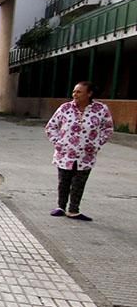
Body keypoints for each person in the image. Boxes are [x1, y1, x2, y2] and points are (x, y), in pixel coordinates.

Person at [44, 81, 114, 221]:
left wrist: (97, 144)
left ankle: (74, 210)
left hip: (86, 155)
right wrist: (59, 143)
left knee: (79, 183)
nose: (75, 94)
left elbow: (108, 128)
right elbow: (51, 127)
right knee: (64, 181)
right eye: (74, 91)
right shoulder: (65, 108)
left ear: (89, 93)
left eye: (79, 92)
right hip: (65, 153)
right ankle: (61, 207)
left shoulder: (100, 109)